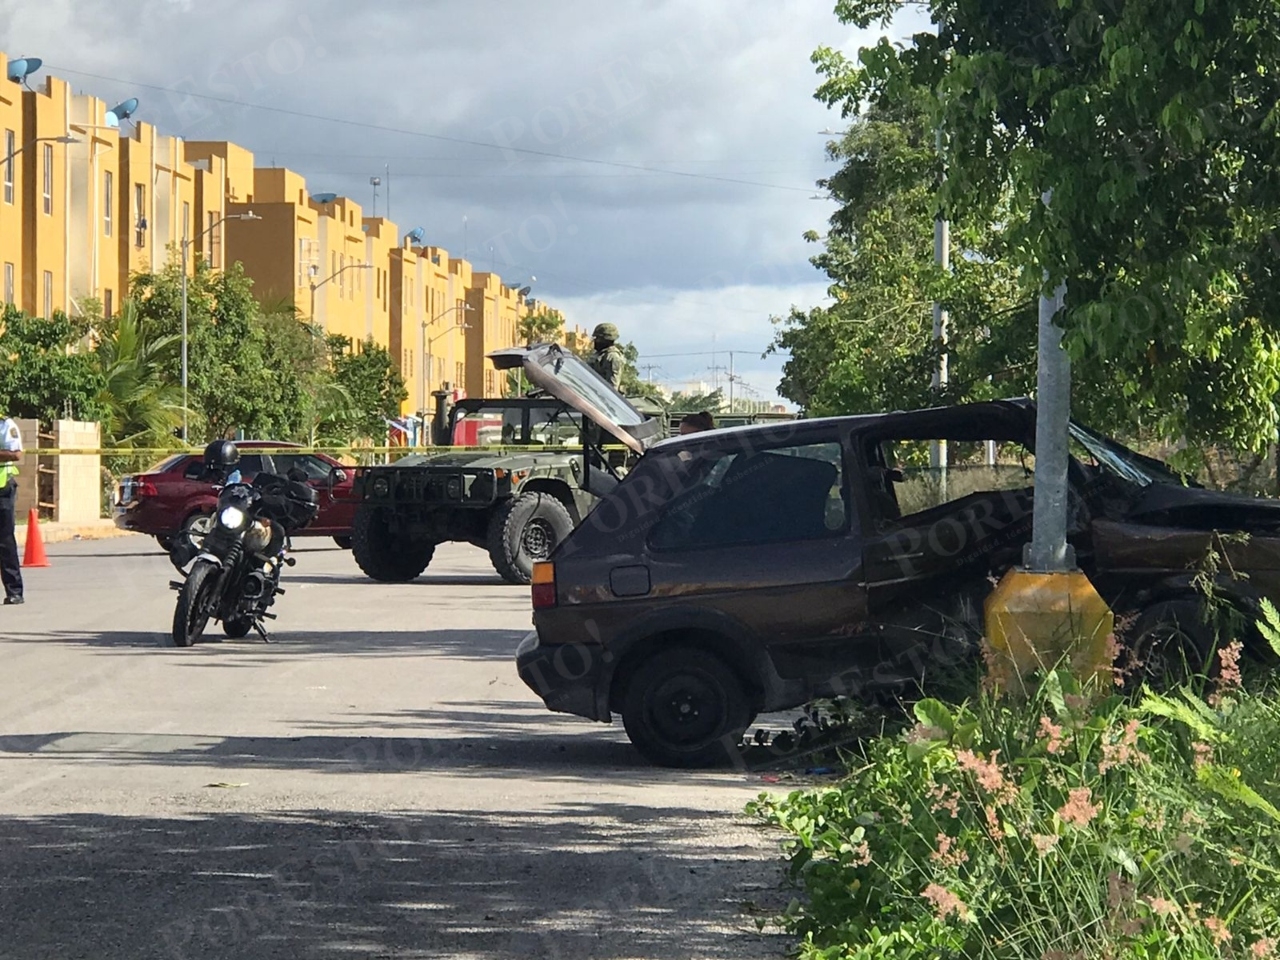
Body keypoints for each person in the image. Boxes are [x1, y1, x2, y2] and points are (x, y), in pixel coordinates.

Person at [0, 411, 24, 605]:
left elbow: (16, 454)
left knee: (5, 541)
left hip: (2, 490)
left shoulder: (5, 425)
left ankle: (14, 590)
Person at [590, 322, 625, 390]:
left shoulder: (613, 357)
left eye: (598, 338)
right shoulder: (599, 354)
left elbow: (612, 387)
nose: (595, 341)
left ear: (606, 340)